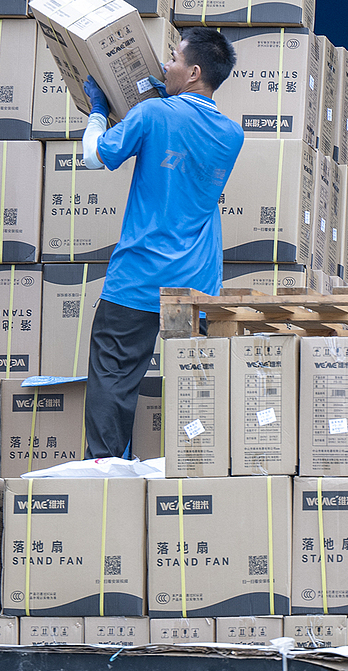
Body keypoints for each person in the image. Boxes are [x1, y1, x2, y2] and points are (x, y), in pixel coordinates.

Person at [78, 27, 244, 460]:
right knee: (197, 378)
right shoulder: (231, 135)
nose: (164, 66)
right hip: (196, 283)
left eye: (172, 58)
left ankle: (107, 465)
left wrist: (99, 111)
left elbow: (95, 156)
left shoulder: (153, 115)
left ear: (192, 72)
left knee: (114, 371)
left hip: (139, 274)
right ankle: (202, 461)